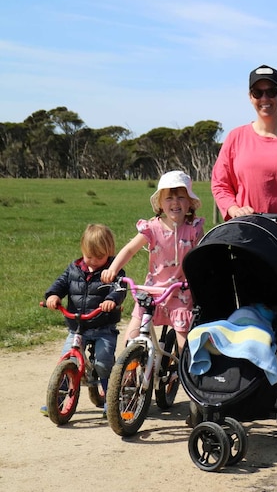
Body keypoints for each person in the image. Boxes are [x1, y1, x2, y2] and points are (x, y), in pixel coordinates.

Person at [210, 63, 277, 341]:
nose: (265, 99)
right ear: (250, 96)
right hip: (246, 235)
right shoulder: (235, 138)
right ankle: (249, 369)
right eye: (258, 93)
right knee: (248, 306)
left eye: (271, 92)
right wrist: (233, 208)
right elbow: (221, 184)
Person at [102, 170, 205, 350]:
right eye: (168, 198)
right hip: (152, 290)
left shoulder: (193, 230)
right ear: (160, 203)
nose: (175, 202)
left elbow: (203, 256)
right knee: (132, 336)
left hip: (180, 292)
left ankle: (187, 375)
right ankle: (127, 374)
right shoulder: (152, 227)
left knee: (185, 345)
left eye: (181, 197)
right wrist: (113, 268)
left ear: (189, 203)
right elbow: (130, 249)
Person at [42, 223, 127, 416]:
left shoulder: (113, 271)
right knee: (68, 358)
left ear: (110, 253)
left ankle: (111, 399)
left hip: (102, 326)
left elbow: (120, 289)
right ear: (83, 250)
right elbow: (60, 283)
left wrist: (111, 300)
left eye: (100, 257)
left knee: (104, 362)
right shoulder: (74, 268)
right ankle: (58, 398)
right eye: (90, 256)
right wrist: (53, 296)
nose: (94, 261)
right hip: (77, 327)